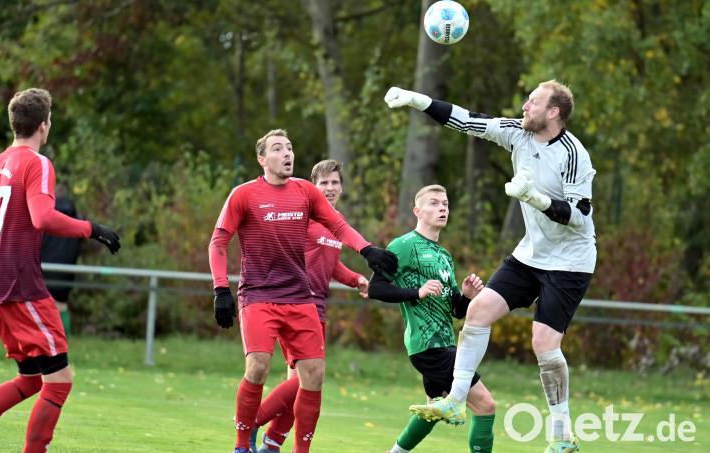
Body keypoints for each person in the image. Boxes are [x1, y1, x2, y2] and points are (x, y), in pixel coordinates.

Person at [384, 80, 596, 453]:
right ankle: (454, 399)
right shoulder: (518, 134)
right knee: (478, 311)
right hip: (530, 254)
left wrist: (534, 197)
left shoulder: (573, 153)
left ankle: (562, 436)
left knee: (544, 343)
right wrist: (417, 101)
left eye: (534, 102)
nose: (525, 106)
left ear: (554, 112)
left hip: (570, 262)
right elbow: (466, 121)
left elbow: (579, 216)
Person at [0, 88, 121, 453]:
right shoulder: (37, 163)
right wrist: (92, 229)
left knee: (31, 380)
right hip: (21, 286)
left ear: (13, 123)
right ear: (44, 125)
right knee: (59, 380)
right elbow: (42, 217)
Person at [208, 129, 397, 453]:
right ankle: (242, 445)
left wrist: (366, 250)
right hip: (258, 296)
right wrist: (221, 289)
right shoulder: (244, 194)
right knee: (258, 367)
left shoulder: (306, 192)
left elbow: (337, 227)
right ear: (262, 158)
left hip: (301, 298)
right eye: (278, 148)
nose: (287, 153)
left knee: (313, 375)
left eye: (290, 148)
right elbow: (218, 242)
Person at [250, 159, 369, 453]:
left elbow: (331, 264)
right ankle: (251, 421)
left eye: (334, 183)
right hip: (297, 304)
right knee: (309, 379)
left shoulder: (334, 221)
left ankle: (271, 442)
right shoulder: (301, 215)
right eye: (324, 183)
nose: (330, 188)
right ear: (313, 187)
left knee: (305, 383)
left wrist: (356, 279)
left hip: (319, 307)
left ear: (341, 187)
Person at [367, 184, 495, 453]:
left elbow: (457, 311)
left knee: (432, 410)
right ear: (418, 211)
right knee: (485, 405)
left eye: (445, 204)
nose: (442, 208)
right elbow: (376, 288)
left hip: (445, 344)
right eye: (435, 203)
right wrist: (418, 291)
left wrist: (468, 295)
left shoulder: (444, 256)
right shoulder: (403, 245)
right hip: (428, 346)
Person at [40, 192, 83, 335]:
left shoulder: (46, 221)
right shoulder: (77, 223)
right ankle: (64, 341)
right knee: (61, 307)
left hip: (44, 271)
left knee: (37, 311)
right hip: (66, 274)